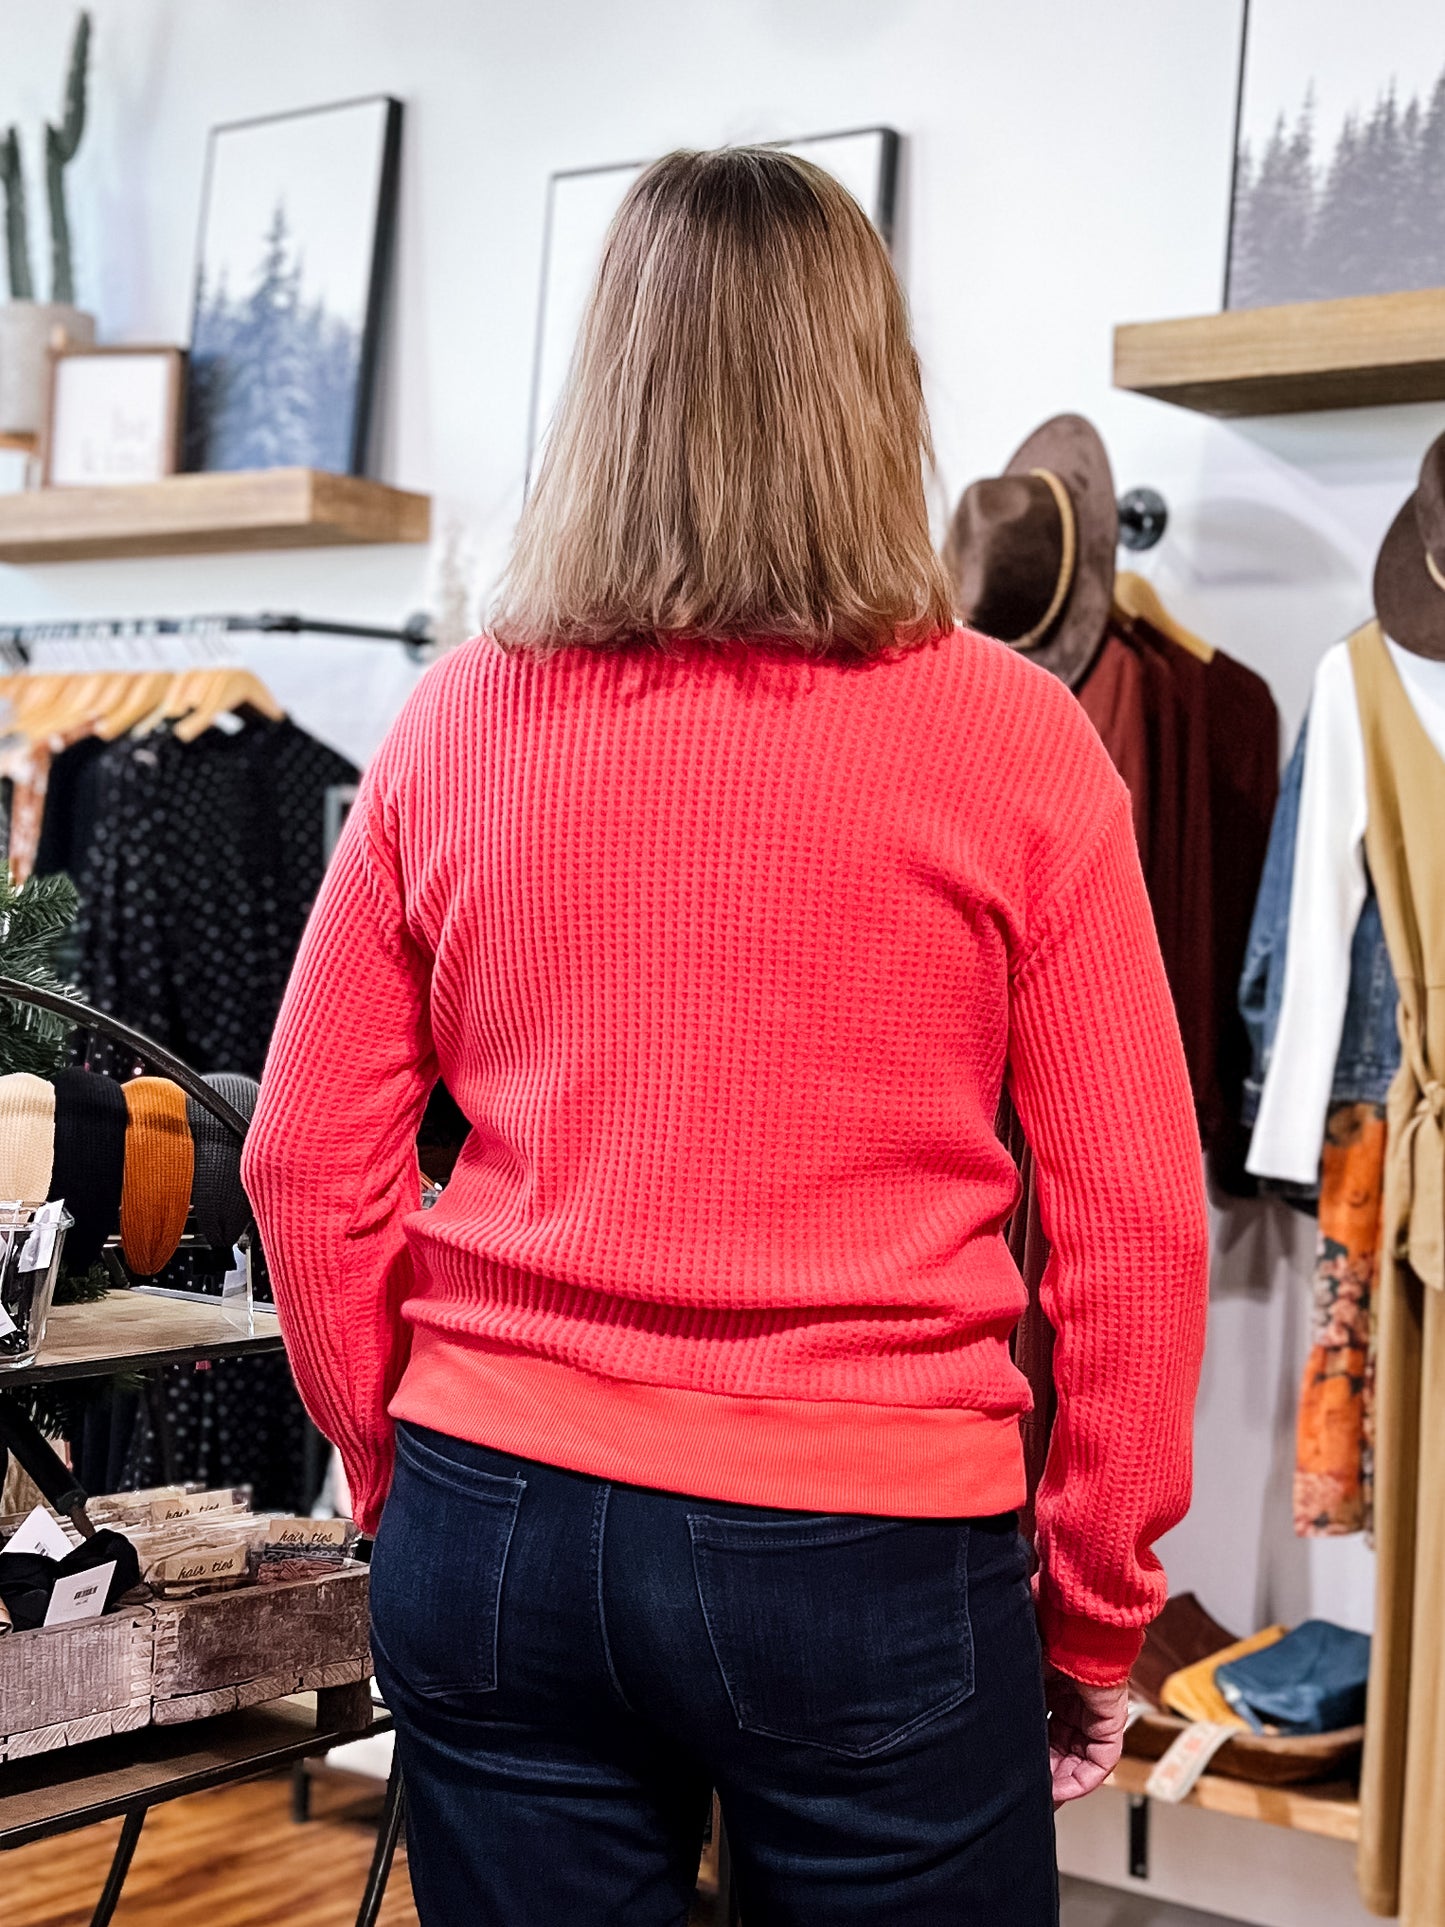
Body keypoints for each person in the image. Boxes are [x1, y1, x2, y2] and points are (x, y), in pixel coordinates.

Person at [244, 146, 1209, 1926]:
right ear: (875, 395)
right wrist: (1095, 1604)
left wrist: (401, 1464)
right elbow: (1135, 1222)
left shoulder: (458, 720)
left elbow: (303, 1158)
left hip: (494, 1511)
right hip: (866, 1543)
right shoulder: (1014, 738)